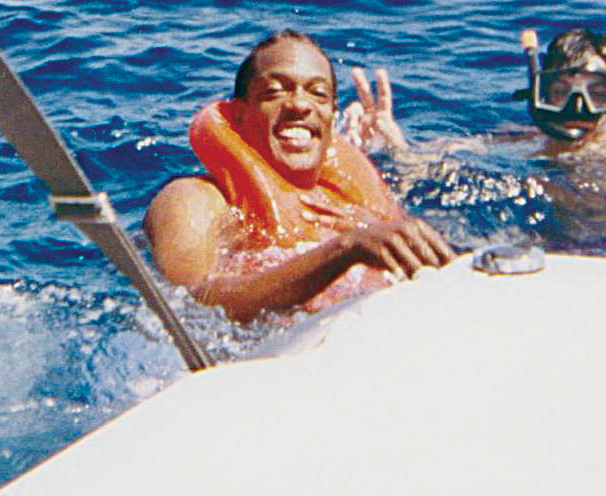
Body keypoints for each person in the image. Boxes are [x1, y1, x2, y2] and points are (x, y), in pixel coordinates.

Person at [344, 28, 606, 256]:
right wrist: (391, 147)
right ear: (537, 96)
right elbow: (427, 164)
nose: (578, 108)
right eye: (560, 92)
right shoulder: (521, 143)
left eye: (598, 93)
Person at [143, 30, 455, 322]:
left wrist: (402, 160)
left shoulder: (353, 205)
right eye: (275, 91)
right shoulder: (191, 200)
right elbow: (191, 303)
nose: (299, 105)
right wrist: (344, 250)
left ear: (332, 119)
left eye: (318, 94)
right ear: (240, 115)